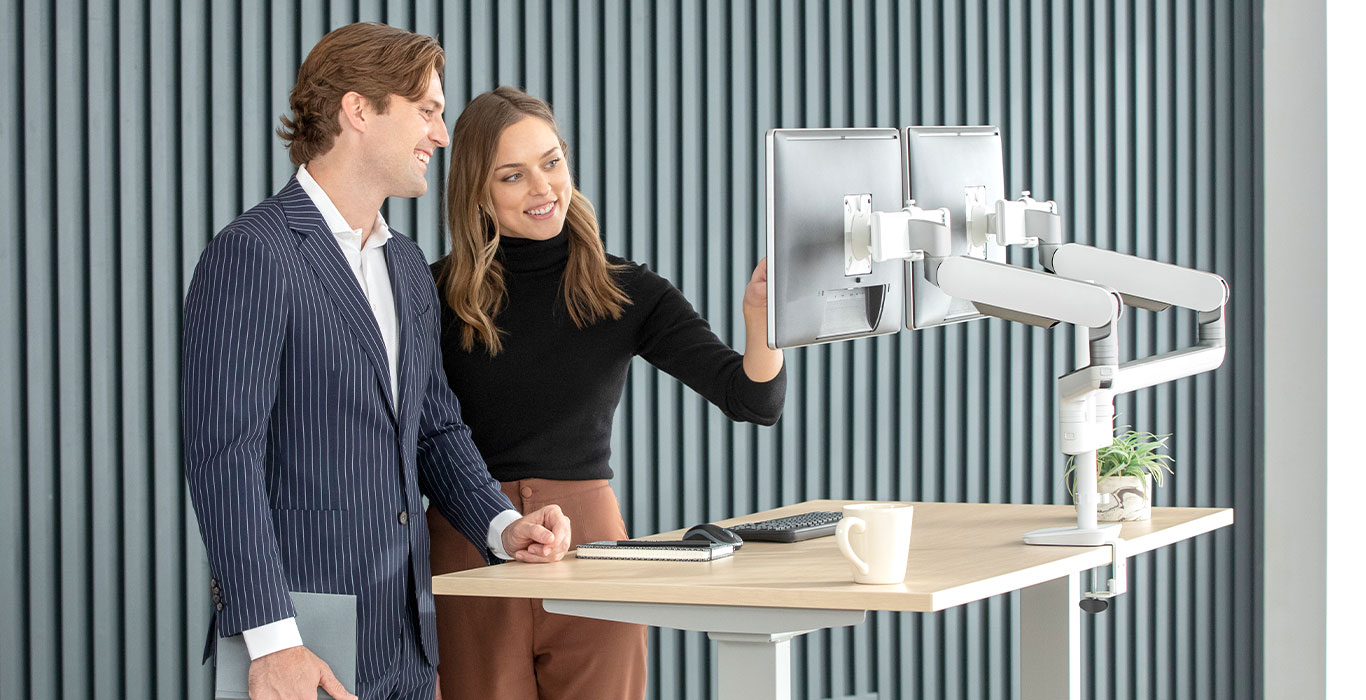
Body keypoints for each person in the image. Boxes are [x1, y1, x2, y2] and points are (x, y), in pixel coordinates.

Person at [181, 26, 571, 700]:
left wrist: (504, 527)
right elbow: (225, 455)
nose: (441, 135)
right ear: (358, 110)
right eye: (426, 111)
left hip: (406, 636)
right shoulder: (254, 253)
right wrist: (272, 641)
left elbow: (434, 429)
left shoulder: (406, 265)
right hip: (302, 638)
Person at [426, 86, 787, 700]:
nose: (542, 188)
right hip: (469, 543)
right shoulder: (432, 294)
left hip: (591, 547)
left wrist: (762, 322)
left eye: (551, 162)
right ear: (477, 193)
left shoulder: (625, 289)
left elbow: (753, 399)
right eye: (513, 175)